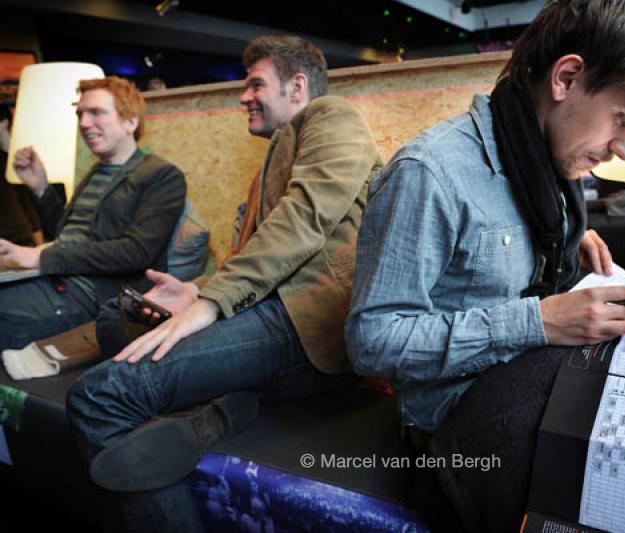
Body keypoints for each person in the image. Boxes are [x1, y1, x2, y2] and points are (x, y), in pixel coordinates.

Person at [347, 1, 625, 531]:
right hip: (462, 429)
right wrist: (539, 321)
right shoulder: (430, 174)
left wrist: (563, 243)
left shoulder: (544, 170)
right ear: (566, 78)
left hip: (547, 374)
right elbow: (372, 341)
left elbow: (499, 244)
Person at [66, 35, 381, 532]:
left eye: (256, 84)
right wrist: (196, 289)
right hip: (272, 319)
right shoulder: (270, 163)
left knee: (97, 397)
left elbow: (303, 221)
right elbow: (255, 259)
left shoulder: (333, 116)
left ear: (298, 86)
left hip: (306, 323)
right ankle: (223, 410)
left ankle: (215, 409)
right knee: (113, 319)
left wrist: (210, 303)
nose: (243, 96)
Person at [0, 77, 186, 350]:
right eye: (81, 114)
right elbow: (67, 235)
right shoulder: (97, 171)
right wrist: (40, 187)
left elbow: (136, 252)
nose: (84, 123)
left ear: (130, 122)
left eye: (96, 112)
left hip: (96, 294)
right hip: (59, 278)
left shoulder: (161, 175)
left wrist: (41, 256)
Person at [0, 102, 43, 247]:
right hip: (18, 235)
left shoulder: (10, 160)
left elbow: (25, 200)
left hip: (21, 236)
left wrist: (38, 243)